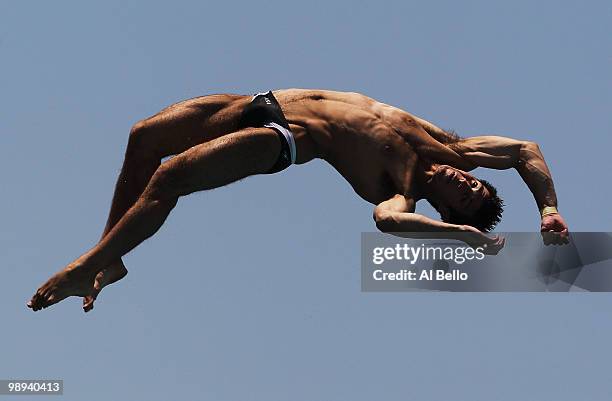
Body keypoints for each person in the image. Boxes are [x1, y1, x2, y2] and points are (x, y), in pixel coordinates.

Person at [27, 89, 569, 312]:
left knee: (171, 178)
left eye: (463, 193)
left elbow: (386, 225)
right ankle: (111, 256)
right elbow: (527, 150)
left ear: (446, 208)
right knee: (143, 138)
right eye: (474, 181)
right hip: (261, 100)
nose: (463, 178)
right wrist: (548, 209)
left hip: (288, 138)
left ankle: (86, 267)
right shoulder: (457, 146)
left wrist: (461, 237)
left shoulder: (399, 191)